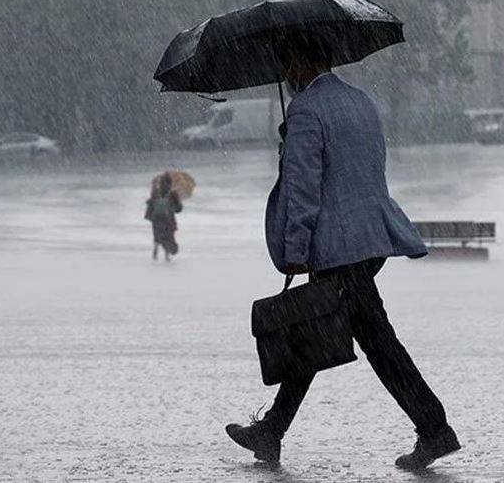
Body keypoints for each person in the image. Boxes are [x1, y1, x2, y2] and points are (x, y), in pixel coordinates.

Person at [224, 33, 459, 471]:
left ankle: (434, 428)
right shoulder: (360, 102)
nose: (284, 74)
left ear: (299, 60)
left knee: (375, 342)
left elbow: (304, 189)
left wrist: (295, 249)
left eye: (286, 63)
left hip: (337, 248)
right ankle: (272, 430)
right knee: (314, 332)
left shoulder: (307, 111)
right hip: (368, 239)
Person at [144, 173, 183, 261]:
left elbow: (150, 205)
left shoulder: (155, 192)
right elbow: (178, 209)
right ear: (170, 183)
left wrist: (150, 217)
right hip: (169, 219)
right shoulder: (173, 193)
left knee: (157, 235)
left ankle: (156, 250)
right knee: (169, 236)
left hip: (157, 219)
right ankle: (167, 255)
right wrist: (177, 200)